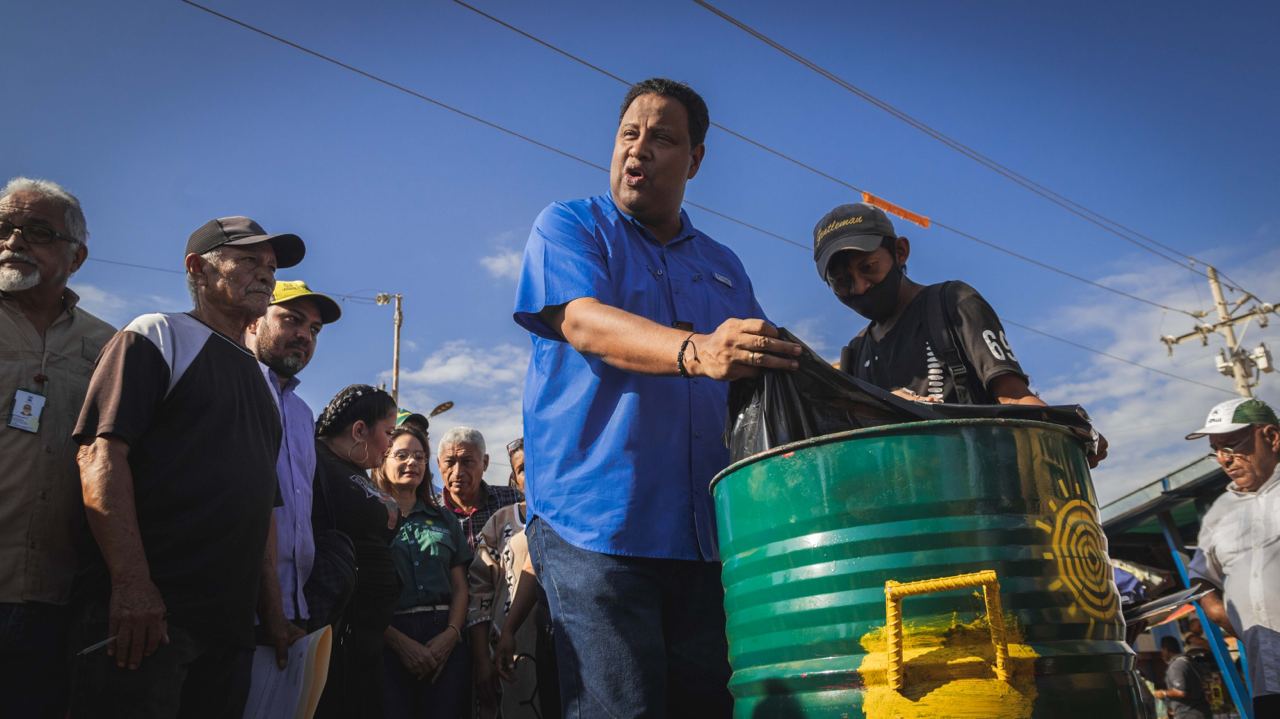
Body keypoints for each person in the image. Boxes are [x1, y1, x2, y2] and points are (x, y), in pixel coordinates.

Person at [512, 77, 802, 717]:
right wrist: (697, 350)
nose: (637, 150)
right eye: (628, 134)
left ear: (695, 160)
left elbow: (760, 369)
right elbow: (583, 322)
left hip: (707, 538)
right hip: (596, 532)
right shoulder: (571, 226)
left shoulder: (724, 264)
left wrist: (867, 393)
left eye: (663, 138)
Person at [71, 215, 305, 716]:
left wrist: (273, 612)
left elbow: (263, 506)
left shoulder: (263, 385)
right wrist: (132, 584)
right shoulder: (158, 335)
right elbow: (99, 454)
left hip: (230, 630)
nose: (265, 274)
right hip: (152, 621)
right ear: (198, 269)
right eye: (247, 260)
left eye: (270, 266)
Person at [813, 202, 1107, 465]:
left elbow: (1014, 398)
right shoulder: (856, 353)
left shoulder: (952, 303)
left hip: (982, 484)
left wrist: (1070, 431)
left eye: (869, 267)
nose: (861, 287)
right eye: (842, 282)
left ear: (900, 251)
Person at [0, 177, 114, 718]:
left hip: (58, 598)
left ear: (77, 256)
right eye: (3, 228)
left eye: (37, 232)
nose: (13, 242)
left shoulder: (108, 347)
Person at [245, 280, 342, 667]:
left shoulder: (303, 416)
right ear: (254, 321)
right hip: (238, 607)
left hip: (295, 608)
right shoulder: (236, 386)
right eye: (291, 319)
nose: (304, 335)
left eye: (314, 329)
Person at [1185, 397, 1280, 715]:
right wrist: (1224, 615)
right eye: (1217, 450)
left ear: (1271, 437)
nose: (1225, 460)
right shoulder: (1219, 513)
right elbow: (1201, 578)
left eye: (1231, 445)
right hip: (1268, 678)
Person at [310, 384, 400, 719]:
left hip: (366, 637)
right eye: (388, 433)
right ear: (360, 430)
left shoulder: (355, 471)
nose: (390, 444)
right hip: (333, 632)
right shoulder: (313, 460)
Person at [375, 425, 472, 718]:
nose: (412, 463)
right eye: (402, 455)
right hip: (387, 639)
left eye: (419, 457)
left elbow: (460, 588)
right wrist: (397, 642)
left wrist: (451, 636)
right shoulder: (368, 518)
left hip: (444, 633)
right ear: (383, 460)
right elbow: (360, 591)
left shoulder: (444, 519)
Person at [469, 437, 544, 719]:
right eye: (523, 468)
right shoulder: (500, 523)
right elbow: (479, 595)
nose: (532, 473)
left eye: (539, 464)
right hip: (505, 648)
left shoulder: (569, 518)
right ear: (515, 479)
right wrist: (481, 660)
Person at [436, 426, 521, 549]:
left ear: (485, 462)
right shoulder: (430, 511)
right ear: (439, 464)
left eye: (467, 462)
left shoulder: (513, 500)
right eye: (449, 462)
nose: (457, 472)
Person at [1154, 636, 1212, 719]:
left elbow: (1180, 691)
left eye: (1162, 650)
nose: (1162, 653)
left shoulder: (1177, 665)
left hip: (1189, 714)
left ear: (1166, 650)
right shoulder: (1188, 661)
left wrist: (1162, 693)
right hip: (1200, 711)